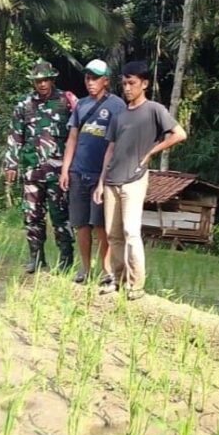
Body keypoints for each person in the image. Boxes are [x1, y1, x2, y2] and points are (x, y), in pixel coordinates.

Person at [92, 61, 187, 300]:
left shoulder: (154, 110)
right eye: (124, 83)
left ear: (144, 84)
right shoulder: (119, 115)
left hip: (135, 179)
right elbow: (110, 150)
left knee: (131, 231)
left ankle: (136, 285)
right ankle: (115, 278)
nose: (127, 88)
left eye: (131, 83)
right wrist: (101, 182)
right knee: (114, 235)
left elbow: (179, 134)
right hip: (112, 180)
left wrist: (152, 152)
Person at [5, 60, 76, 274]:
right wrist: (11, 163)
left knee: (60, 216)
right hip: (32, 170)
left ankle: (65, 259)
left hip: (58, 172)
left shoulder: (67, 102)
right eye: (38, 81)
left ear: (52, 80)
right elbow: (15, 135)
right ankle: (36, 257)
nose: (42, 84)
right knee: (31, 215)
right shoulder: (24, 104)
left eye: (45, 80)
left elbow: (77, 134)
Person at [59, 59, 126, 285]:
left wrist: (107, 177)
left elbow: (116, 142)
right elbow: (73, 138)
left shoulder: (117, 106)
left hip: (102, 175)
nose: (90, 82)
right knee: (80, 224)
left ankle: (106, 270)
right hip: (78, 172)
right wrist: (65, 170)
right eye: (88, 78)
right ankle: (85, 269)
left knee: (100, 225)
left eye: (95, 78)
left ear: (106, 80)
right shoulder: (81, 105)